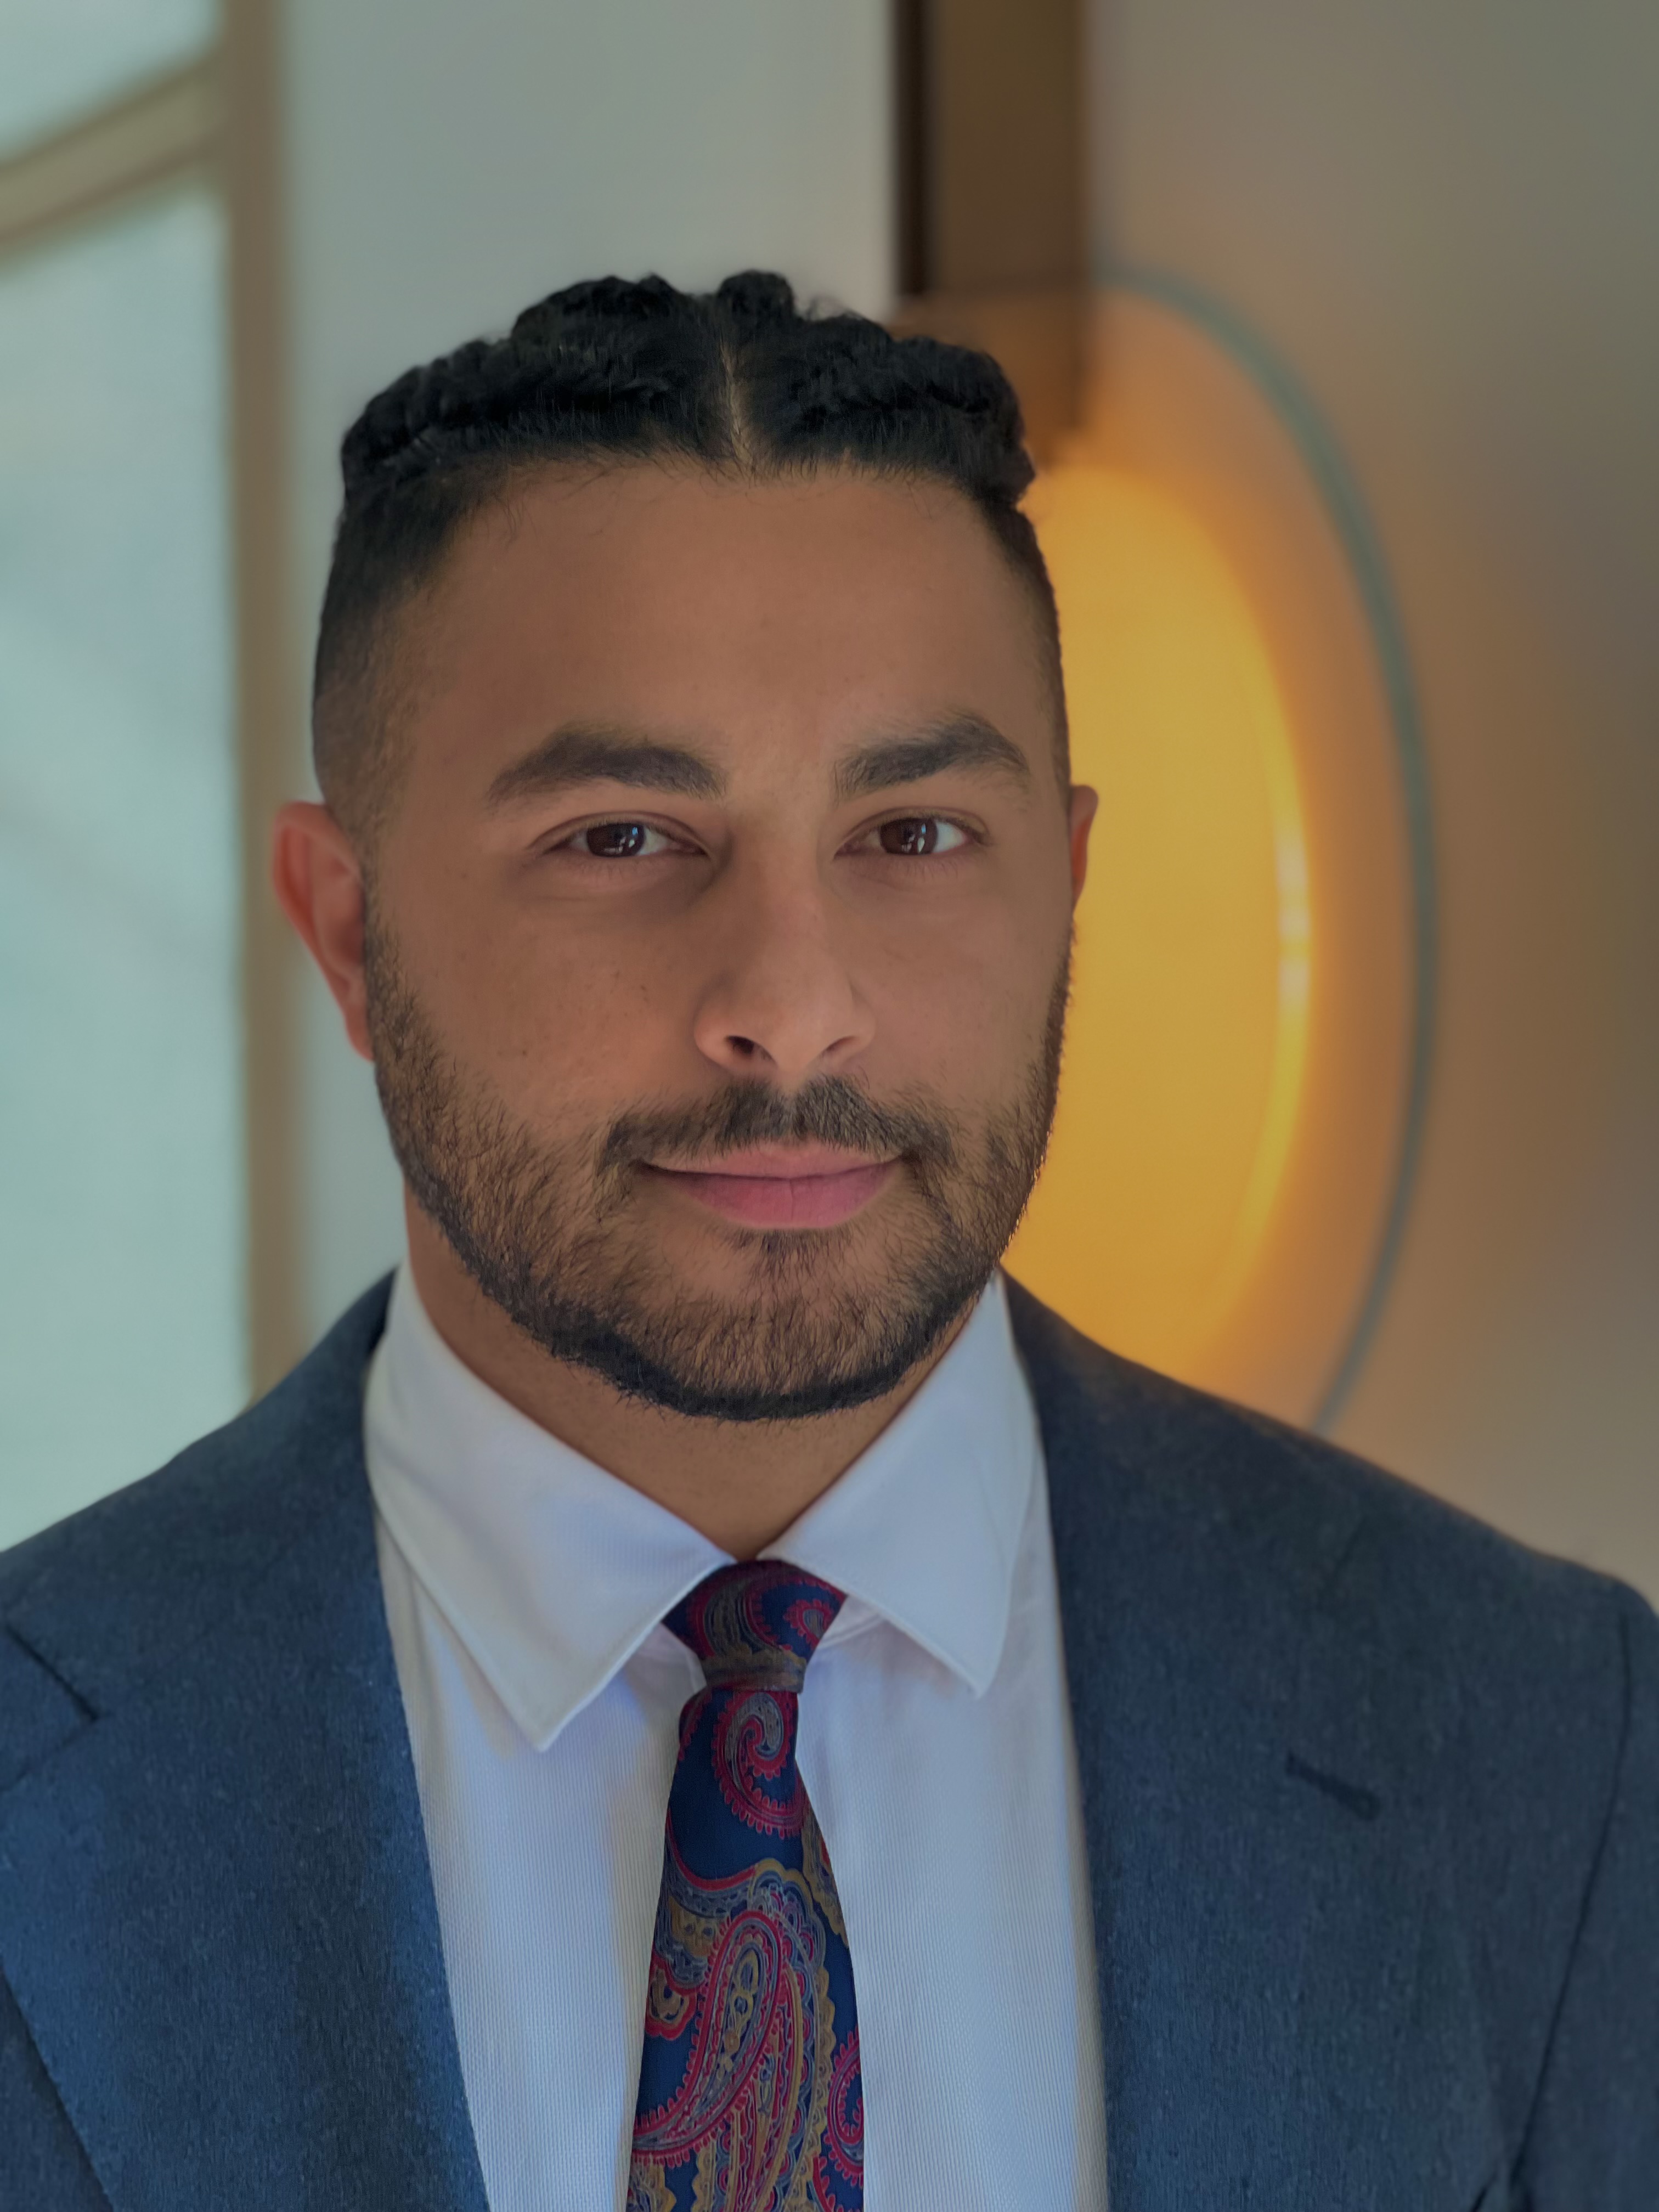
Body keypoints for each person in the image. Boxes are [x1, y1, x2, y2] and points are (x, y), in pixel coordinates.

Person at [1, 271, 1654, 2212]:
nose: (792, 1011)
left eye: (914, 835)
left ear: (1069, 885)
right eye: (623, 838)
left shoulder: (1554, 1740)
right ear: (349, 930)